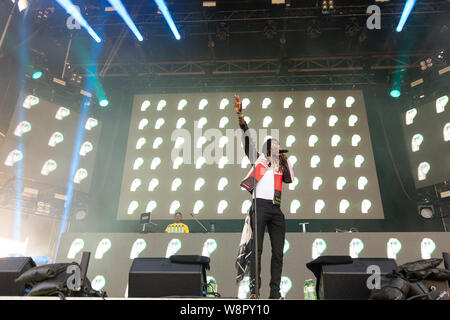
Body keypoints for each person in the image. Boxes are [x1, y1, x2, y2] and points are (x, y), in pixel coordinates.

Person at [234, 94, 294, 299]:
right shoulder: (258, 160)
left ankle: (275, 293)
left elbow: (290, 179)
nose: (276, 147)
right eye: (273, 144)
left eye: (278, 145)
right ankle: (254, 291)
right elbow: (247, 138)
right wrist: (241, 117)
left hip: (276, 210)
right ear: (266, 148)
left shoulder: (280, 165)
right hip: (259, 207)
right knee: (256, 252)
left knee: (278, 253)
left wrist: (284, 160)